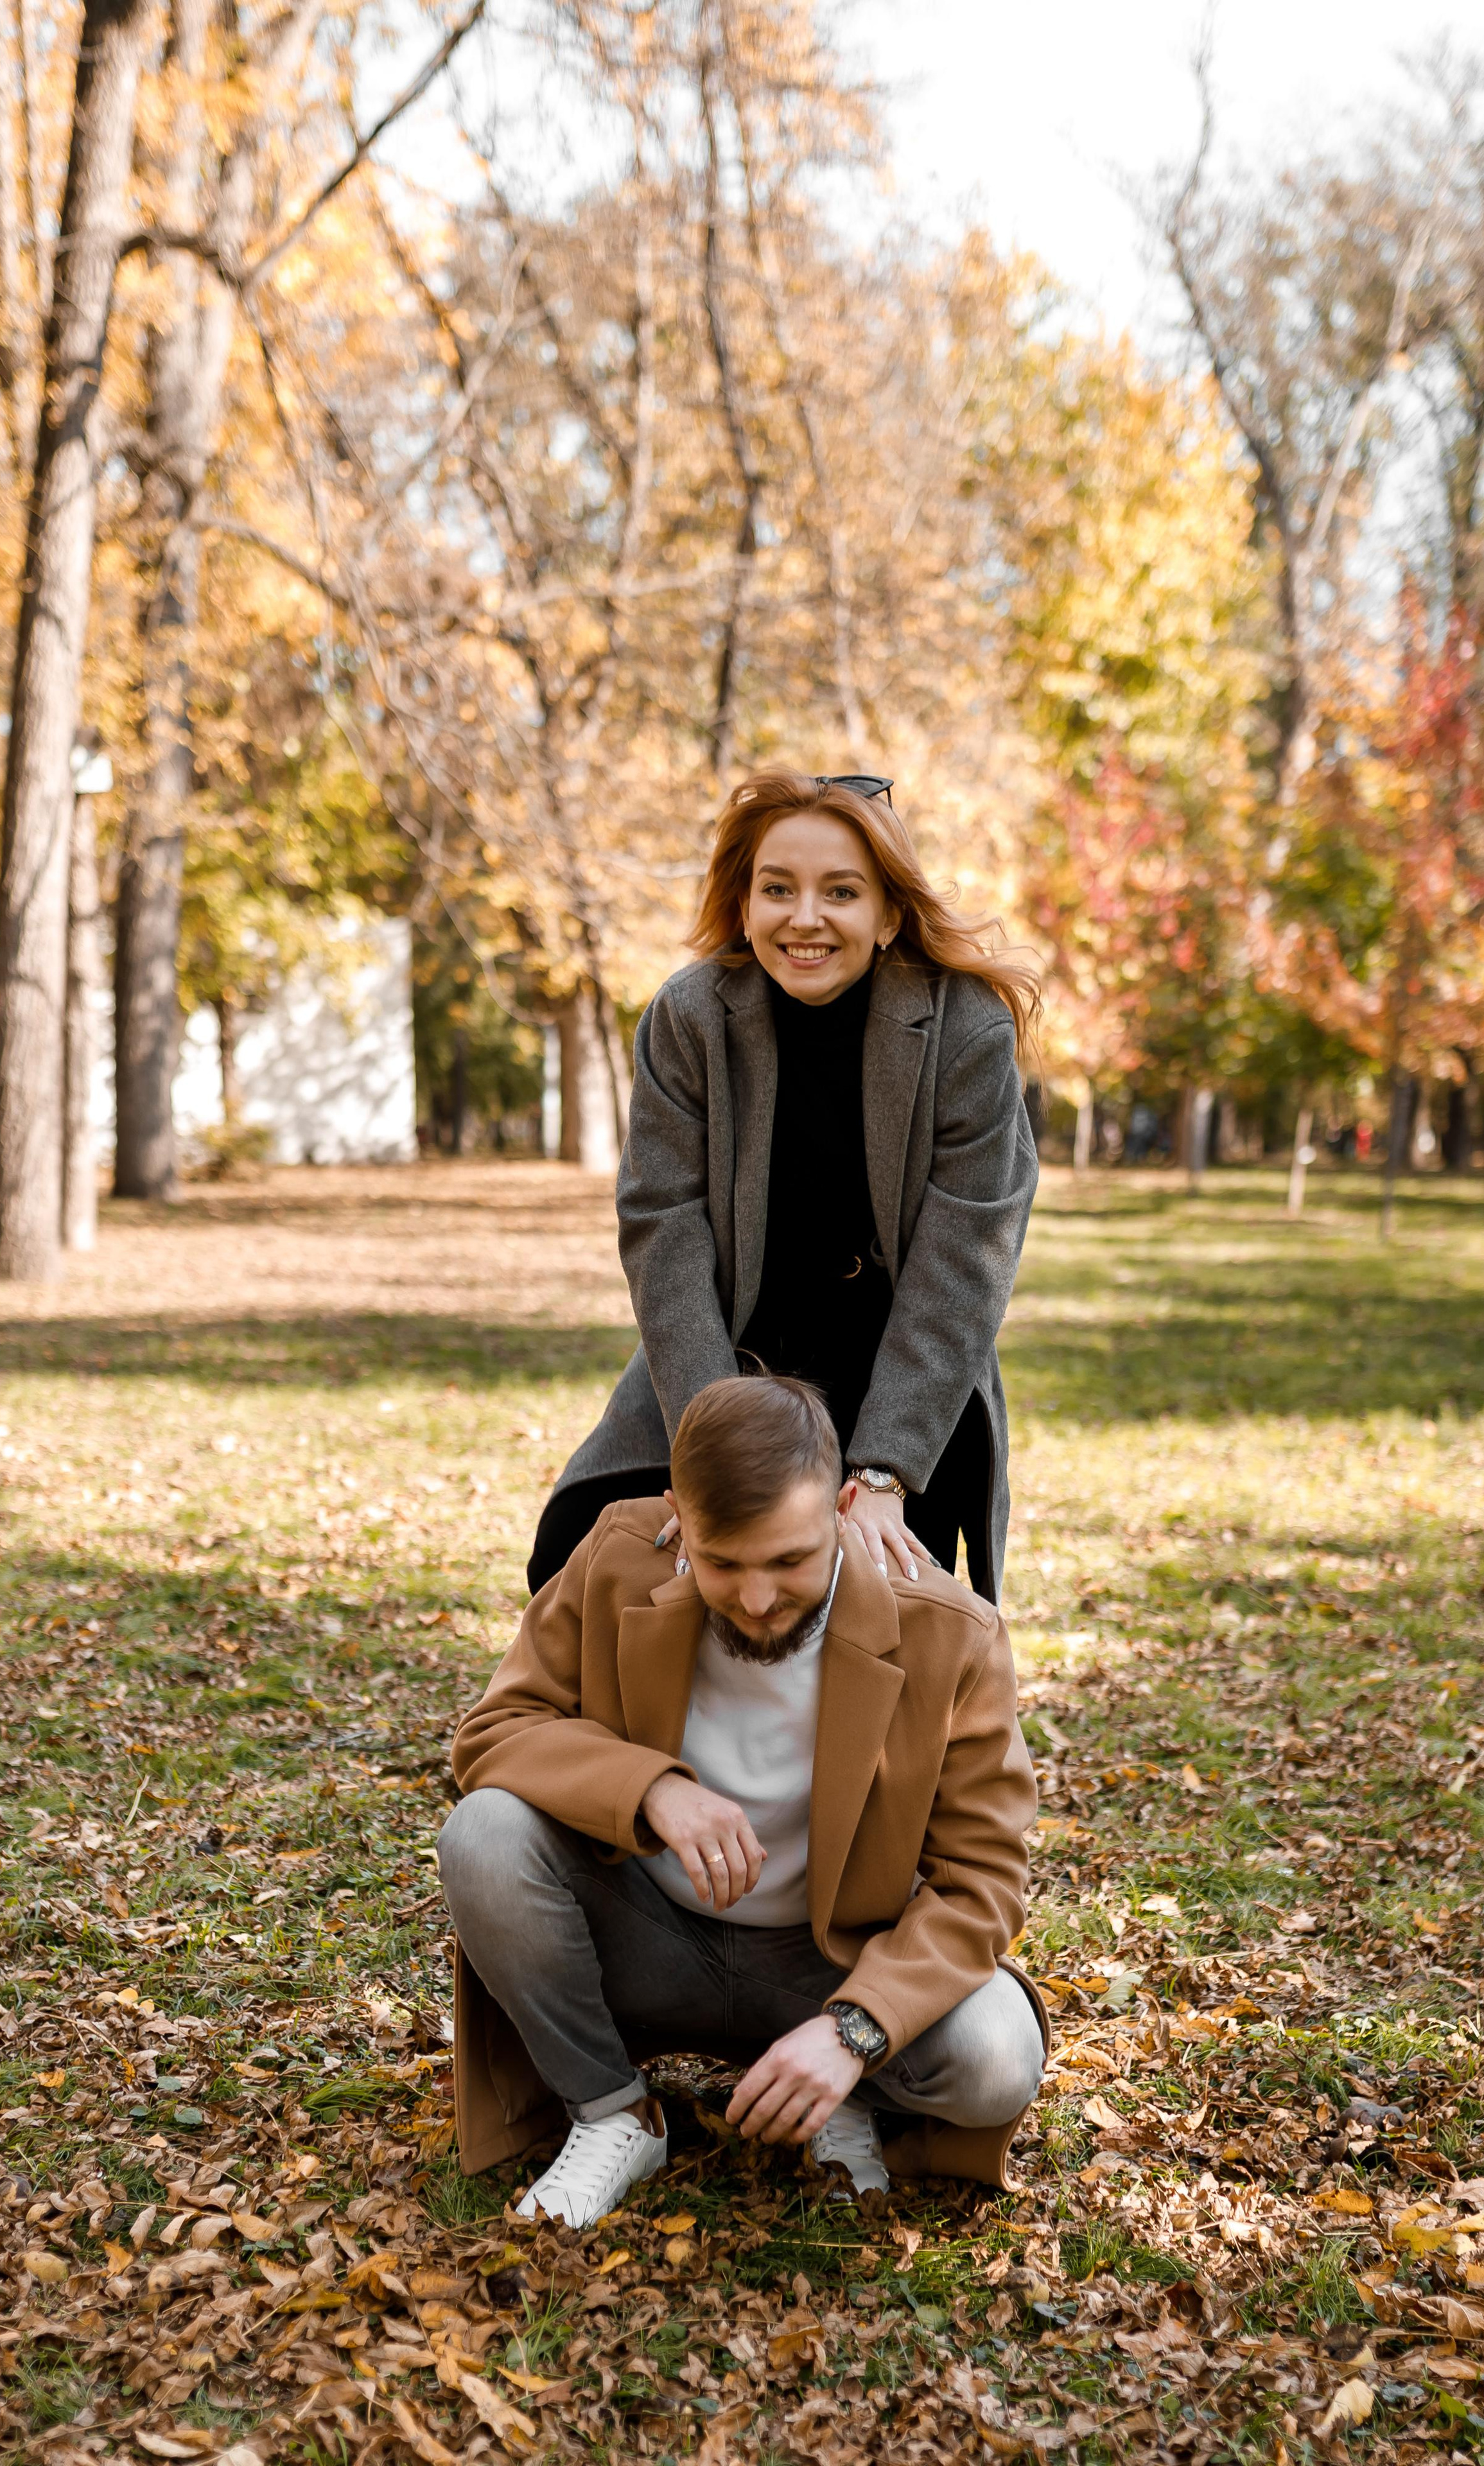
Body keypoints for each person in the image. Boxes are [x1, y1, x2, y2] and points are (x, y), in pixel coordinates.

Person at [441, 1375, 1046, 2226]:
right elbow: (495, 1731)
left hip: (833, 1963)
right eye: (723, 1563)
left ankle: (849, 2098)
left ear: (844, 1507)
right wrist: (651, 1791)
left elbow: (983, 1884)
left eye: (790, 1561)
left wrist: (855, 2031)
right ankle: (612, 2111)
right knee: (485, 1833)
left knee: (998, 2056)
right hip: (647, 1937)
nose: (758, 1600)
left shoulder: (953, 1634)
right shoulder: (617, 1559)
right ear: (677, 1514)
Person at [526, 769, 1042, 1604]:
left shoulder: (966, 1030)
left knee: (892, 1601)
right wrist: (709, 1468)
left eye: (841, 891)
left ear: (888, 917)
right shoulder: (691, 1018)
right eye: (778, 889)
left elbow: (964, 1264)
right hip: (729, 1358)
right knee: (573, 1560)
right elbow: (665, 1229)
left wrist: (881, 1476)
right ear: (743, 904)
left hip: (901, 1372)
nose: (805, 918)